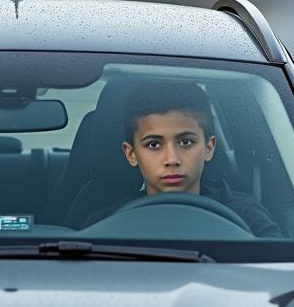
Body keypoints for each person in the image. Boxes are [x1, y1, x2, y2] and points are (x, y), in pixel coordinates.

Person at [83, 81, 281, 238]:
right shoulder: (105, 226)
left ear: (209, 148)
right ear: (131, 154)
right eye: (154, 145)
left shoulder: (247, 217)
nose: (172, 159)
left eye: (186, 142)